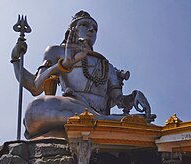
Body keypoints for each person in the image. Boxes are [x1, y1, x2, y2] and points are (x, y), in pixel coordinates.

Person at [10, 10, 155, 139]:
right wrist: (16, 61)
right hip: (73, 106)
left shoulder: (106, 65)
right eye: (85, 25)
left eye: (95, 28)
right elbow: (36, 87)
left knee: (43, 112)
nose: (92, 30)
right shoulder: (56, 51)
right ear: (73, 30)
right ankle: (112, 121)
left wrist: (135, 96)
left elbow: (120, 100)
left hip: (87, 114)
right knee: (35, 108)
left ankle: (104, 119)